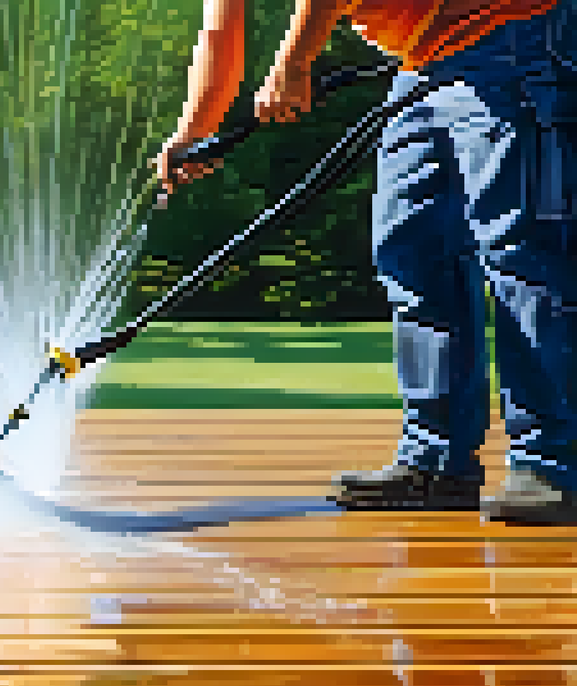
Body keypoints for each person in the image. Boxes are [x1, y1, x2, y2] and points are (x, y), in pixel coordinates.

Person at [156, 0, 577, 524]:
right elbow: (222, 29)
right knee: (413, 255)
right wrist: (197, 132)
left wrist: (295, 62)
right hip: (426, 61)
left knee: (523, 257)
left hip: (517, 35)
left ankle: (552, 468)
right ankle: (434, 464)